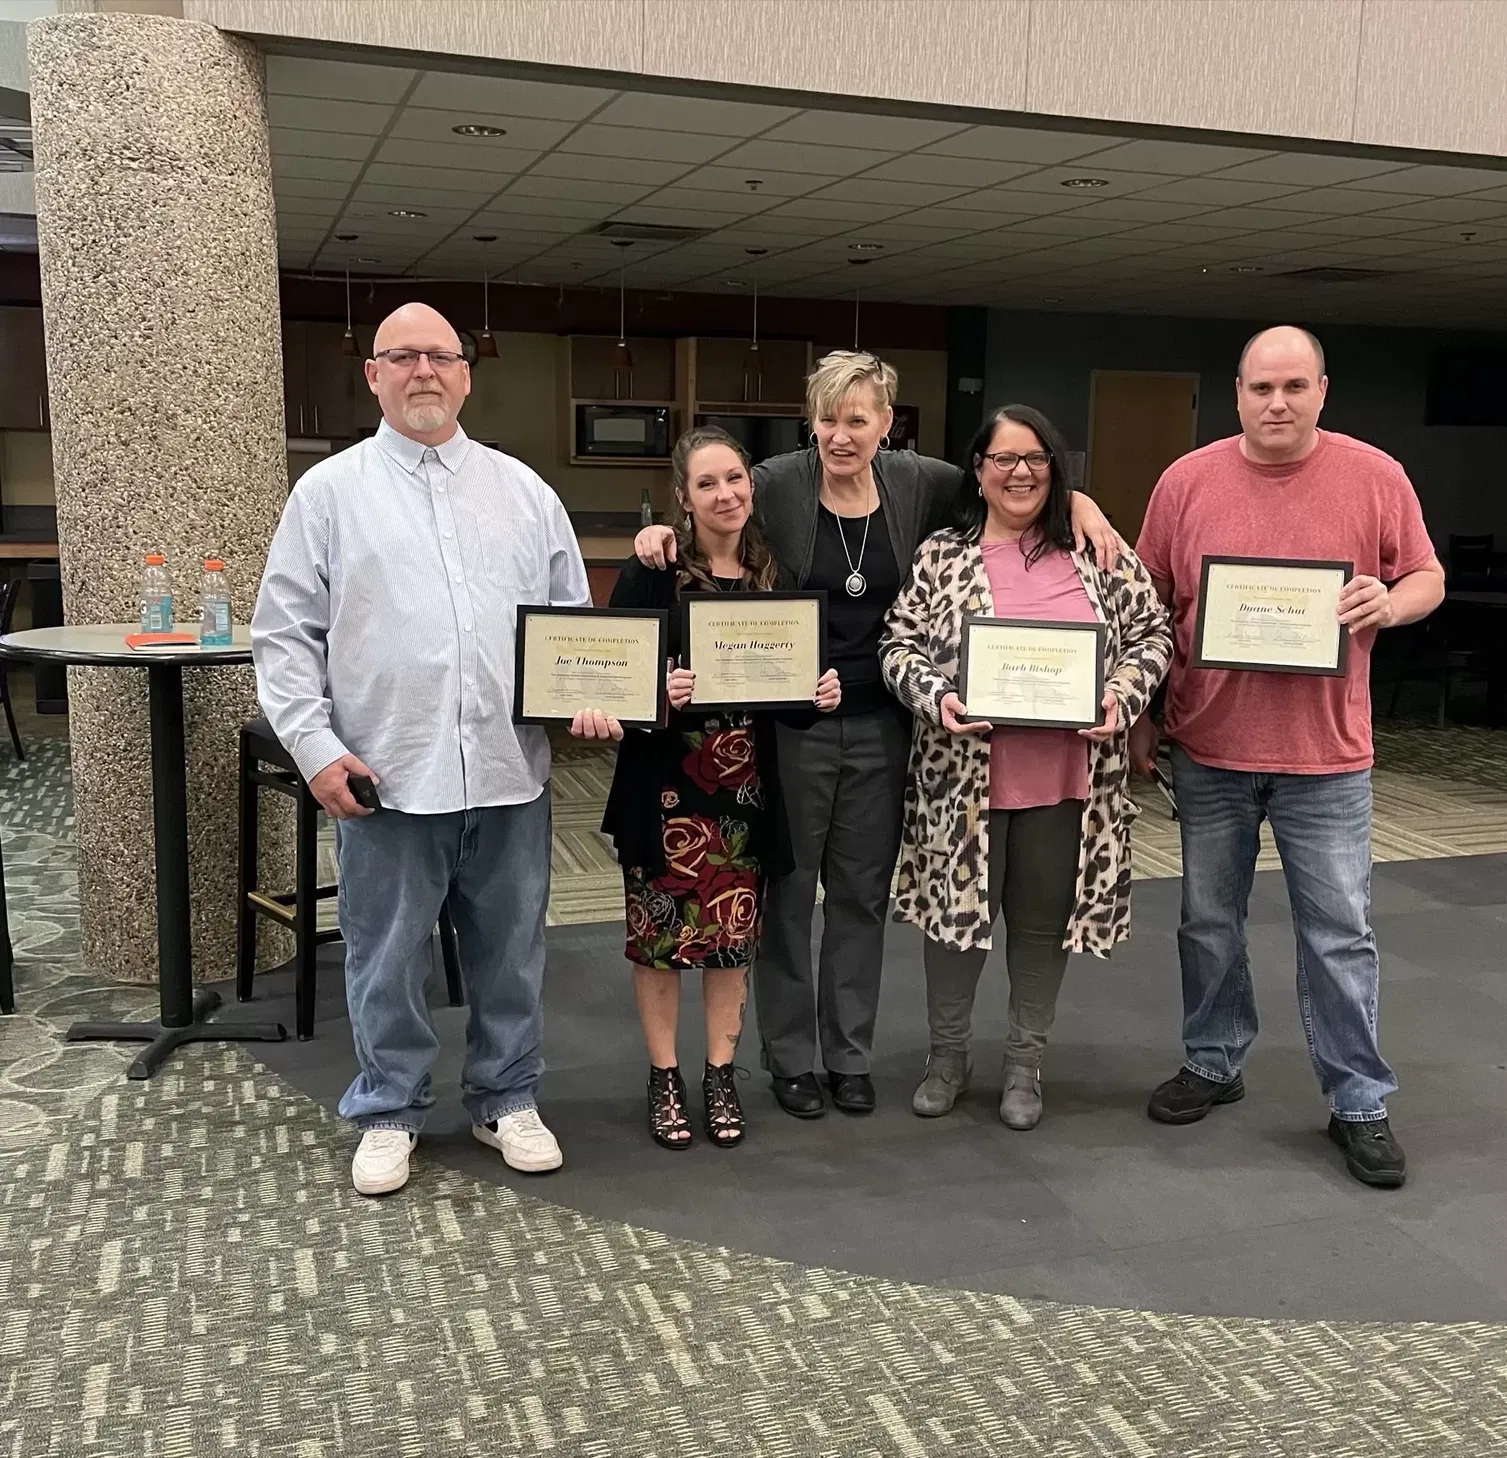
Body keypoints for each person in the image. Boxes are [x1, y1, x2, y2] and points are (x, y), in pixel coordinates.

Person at [635, 352, 1124, 1119]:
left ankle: (849, 1056)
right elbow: (709, 504)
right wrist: (657, 533)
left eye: (857, 420)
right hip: (792, 724)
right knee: (790, 896)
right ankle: (792, 1059)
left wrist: (1085, 502)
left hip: (886, 725)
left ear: (885, 424)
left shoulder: (918, 481)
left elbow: (1018, 479)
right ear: (811, 421)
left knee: (861, 896)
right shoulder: (775, 482)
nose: (840, 435)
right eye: (827, 419)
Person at [254, 302, 586, 1197]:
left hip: (510, 772)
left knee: (510, 951)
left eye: (441, 356)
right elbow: (283, 638)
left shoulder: (525, 493)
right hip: (387, 775)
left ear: (468, 374)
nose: (424, 372)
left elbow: (574, 627)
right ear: (373, 375)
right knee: (386, 953)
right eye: (403, 357)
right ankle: (390, 1106)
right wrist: (318, 751)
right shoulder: (328, 495)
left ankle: (505, 1096)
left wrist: (591, 694)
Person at [1131, 324, 1445, 1189]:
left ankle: (1359, 1101)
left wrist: (1391, 601)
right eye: (1262, 388)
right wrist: (1144, 717)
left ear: (1322, 391)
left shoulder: (1374, 475)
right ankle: (1213, 1059)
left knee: (1340, 935)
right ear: (1236, 392)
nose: (1278, 403)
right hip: (1210, 746)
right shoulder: (1186, 482)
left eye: (1295, 387)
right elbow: (1149, 608)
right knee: (1206, 923)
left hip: (1328, 756)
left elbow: (1428, 575)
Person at [880, 406, 1172, 1128]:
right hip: (962, 784)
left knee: (1041, 927)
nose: (1020, 472)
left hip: (1069, 782)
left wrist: (1122, 698)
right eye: (1004, 459)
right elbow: (897, 645)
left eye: (1036, 458)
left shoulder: (1096, 552)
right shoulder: (941, 556)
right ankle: (947, 1058)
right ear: (977, 472)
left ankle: (1024, 1065)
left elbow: (1153, 633)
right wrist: (936, 697)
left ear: (1055, 469)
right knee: (953, 929)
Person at [575, 426, 841, 1149]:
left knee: (731, 941)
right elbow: (611, 678)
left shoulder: (773, 573)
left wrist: (817, 691)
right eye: (707, 484)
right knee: (658, 943)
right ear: (683, 499)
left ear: (751, 484)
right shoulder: (654, 571)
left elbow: (787, 693)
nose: (725, 494)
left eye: (735, 479)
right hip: (664, 789)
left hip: (746, 791)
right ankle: (664, 1077)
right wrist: (658, 689)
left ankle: (720, 1074)